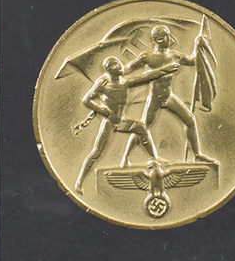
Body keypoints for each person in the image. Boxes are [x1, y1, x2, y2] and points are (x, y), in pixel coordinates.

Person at [73, 55, 178, 193]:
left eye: (118, 62)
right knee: (97, 152)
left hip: (121, 121)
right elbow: (86, 100)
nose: (120, 65)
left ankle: (153, 158)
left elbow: (146, 77)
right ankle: (79, 182)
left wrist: (165, 69)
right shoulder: (103, 84)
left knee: (141, 128)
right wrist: (102, 110)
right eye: (115, 64)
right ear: (109, 69)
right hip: (110, 122)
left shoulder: (124, 82)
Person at [120, 25, 216, 168]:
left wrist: (198, 45)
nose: (169, 39)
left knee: (190, 120)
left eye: (168, 35)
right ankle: (125, 159)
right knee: (143, 128)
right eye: (166, 36)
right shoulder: (147, 57)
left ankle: (197, 155)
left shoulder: (174, 55)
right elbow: (126, 70)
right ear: (158, 39)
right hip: (155, 99)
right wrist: (112, 74)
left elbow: (192, 61)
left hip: (168, 97)